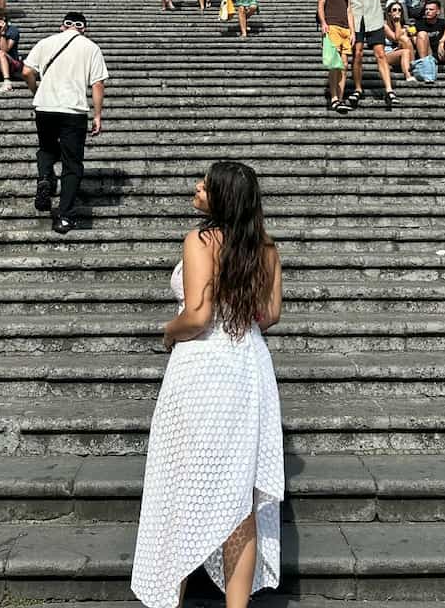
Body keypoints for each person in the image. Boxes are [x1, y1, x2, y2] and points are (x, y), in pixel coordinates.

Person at [131, 161, 283, 608]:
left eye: (205, 183)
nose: (197, 187)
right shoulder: (268, 248)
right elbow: (270, 315)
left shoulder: (201, 239)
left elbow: (197, 318)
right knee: (241, 499)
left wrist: (166, 330)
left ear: (222, 197)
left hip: (204, 370)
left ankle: (171, 600)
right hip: (249, 368)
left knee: (181, 484)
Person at [23, 11, 108, 234]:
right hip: (73, 110)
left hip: (45, 107)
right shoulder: (91, 47)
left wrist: (36, 91)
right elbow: (97, 84)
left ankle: (44, 178)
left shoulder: (45, 42)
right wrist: (97, 115)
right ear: (84, 29)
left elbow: (26, 71)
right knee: (72, 163)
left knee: (46, 149)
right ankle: (64, 216)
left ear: (62, 26)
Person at [346, 0, 397, 110]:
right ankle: (358, 89)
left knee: (380, 54)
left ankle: (389, 90)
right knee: (357, 54)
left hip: (374, 18)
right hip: (356, 19)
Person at [318, 0, 353, 113]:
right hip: (332, 26)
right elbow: (321, 4)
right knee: (335, 64)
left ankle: (340, 97)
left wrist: (352, 30)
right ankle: (333, 98)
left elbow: (349, 10)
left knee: (344, 66)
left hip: (345, 28)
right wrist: (324, 23)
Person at [416, 1, 445, 73]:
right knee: (422, 34)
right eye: (426, 9)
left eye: (431, 9)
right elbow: (413, 36)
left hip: (442, 54)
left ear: (438, 11)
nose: (427, 11)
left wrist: (441, 41)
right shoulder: (419, 23)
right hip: (428, 53)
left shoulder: (443, 22)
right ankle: (425, 66)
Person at [383, 1, 417, 83]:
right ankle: (409, 75)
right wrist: (397, 23)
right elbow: (395, 38)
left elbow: (405, 42)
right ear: (389, 13)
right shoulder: (384, 26)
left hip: (400, 51)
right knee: (405, 50)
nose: (397, 12)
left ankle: (413, 67)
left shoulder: (403, 27)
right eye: (394, 10)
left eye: (399, 10)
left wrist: (412, 35)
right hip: (387, 54)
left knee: (406, 42)